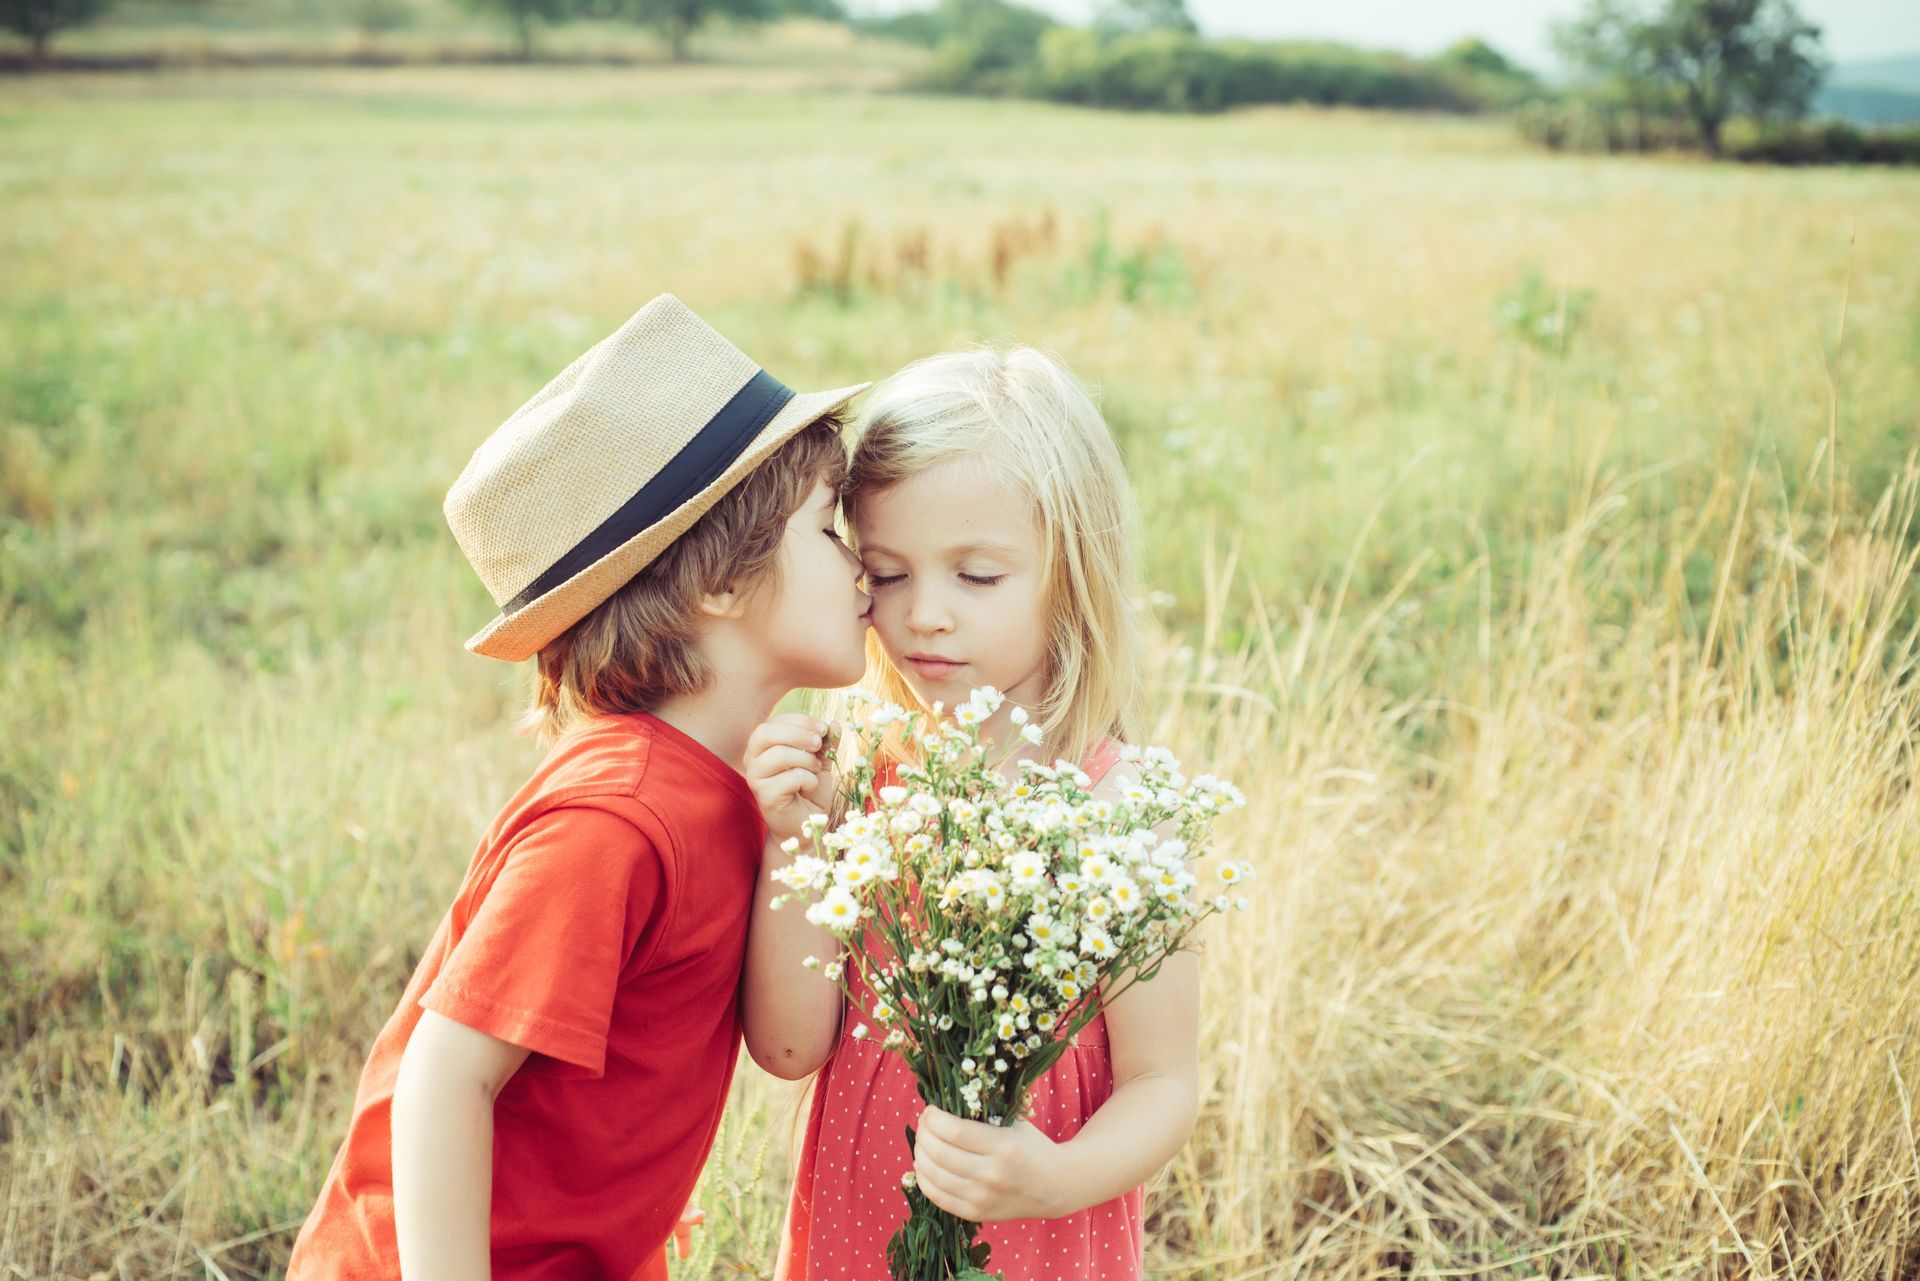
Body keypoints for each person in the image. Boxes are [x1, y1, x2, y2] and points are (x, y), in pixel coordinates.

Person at [287, 294, 871, 1281]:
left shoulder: (738, 782)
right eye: (829, 530)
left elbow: (785, 1046)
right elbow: (445, 1074)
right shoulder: (617, 816)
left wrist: (795, 847)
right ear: (720, 584)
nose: (866, 567)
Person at [742, 347, 1199, 1281]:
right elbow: (790, 1046)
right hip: (859, 1229)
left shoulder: (1120, 811)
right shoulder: (862, 777)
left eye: (977, 576)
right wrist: (795, 844)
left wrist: (1056, 1176)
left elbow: (1164, 1083)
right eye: (888, 573)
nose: (926, 617)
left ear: (1072, 572)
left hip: (1034, 1232)